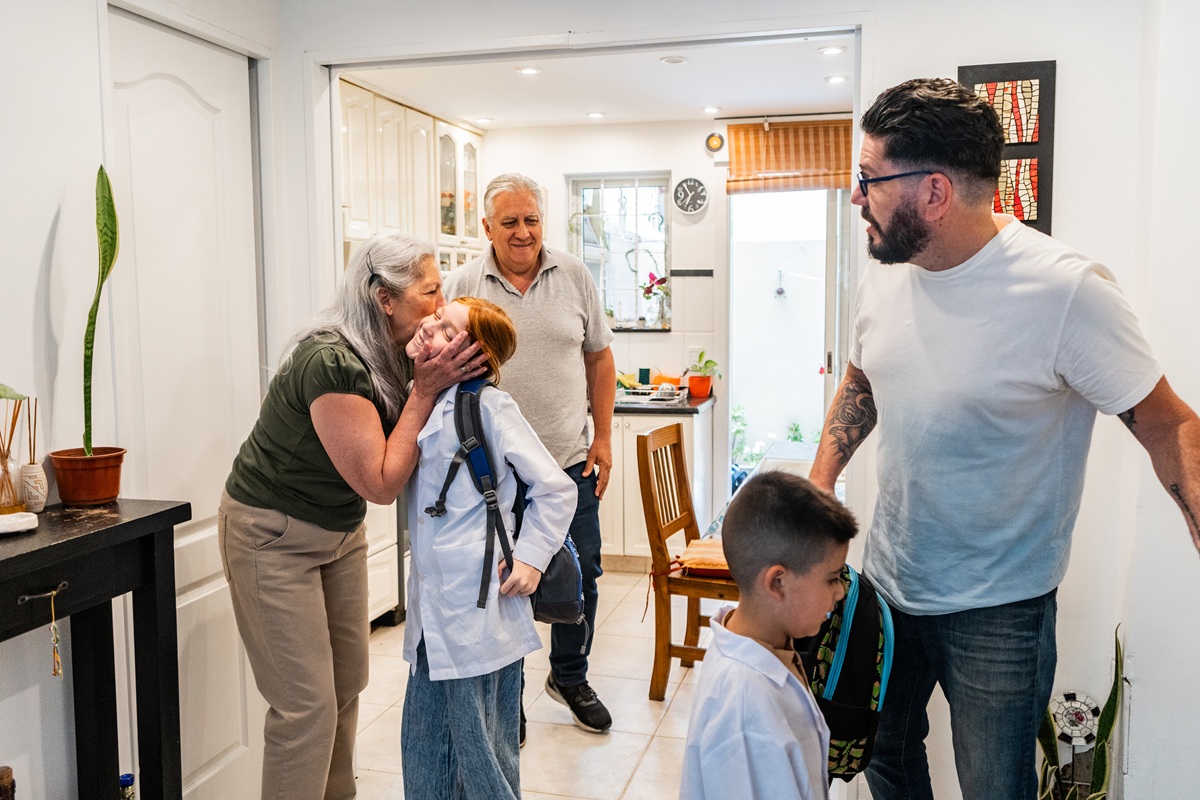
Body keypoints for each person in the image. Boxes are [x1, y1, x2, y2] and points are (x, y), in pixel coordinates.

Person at [809, 77, 1200, 800]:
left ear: (933, 192)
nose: (857, 198)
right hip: (890, 584)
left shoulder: (1065, 291)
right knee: (884, 759)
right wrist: (821, 480)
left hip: (1000, 612)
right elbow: (864, 378)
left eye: (868, 180)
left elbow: (1170, 424)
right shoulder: (885, 274)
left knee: (996, 786)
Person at [219, 233, 487, 800]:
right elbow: (382, 482)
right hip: (271, 535)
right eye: (430, 292)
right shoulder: (332, 361)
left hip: (340, 533)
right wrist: (424, 391)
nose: (440, 307)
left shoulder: (400, 348)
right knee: (305, 709)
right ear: (383, 297)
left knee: (346, 686)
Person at [443, 173, 618, 736]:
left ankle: (569, 676)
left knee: (579, 574)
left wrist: (605, 437)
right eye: (511, 221)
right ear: (487, 227)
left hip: (568, 460)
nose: (524, 232)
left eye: (532, 220)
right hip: (490, 472)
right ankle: (508, 694)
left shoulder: (574, 276)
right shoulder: (463, 284)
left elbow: (600, 360)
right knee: (503, 581)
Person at [401, 297, 576, 800]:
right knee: (425, 745)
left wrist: (531, 560)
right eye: (434, 317)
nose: (429, 325)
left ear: (474, 356)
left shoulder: (491, 409)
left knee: (481, 752)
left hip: (479, 610)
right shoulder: (424, 399)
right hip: (435, 612)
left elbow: (556, 489)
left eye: (445, 327)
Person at [680, 470, 859, 800]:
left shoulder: (766, 643)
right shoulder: (746, 712)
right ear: (777, 582)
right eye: (832, 578)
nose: (839, 592)